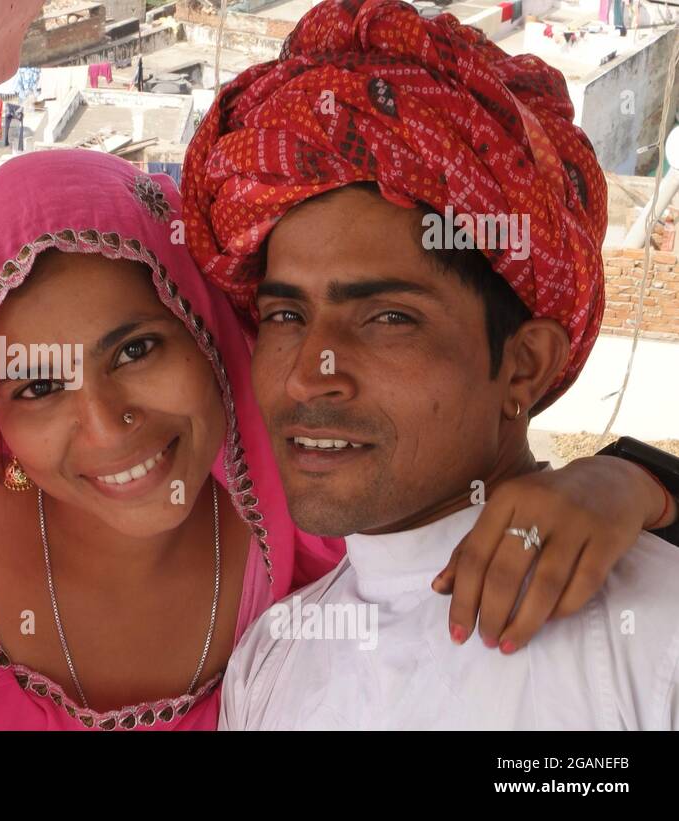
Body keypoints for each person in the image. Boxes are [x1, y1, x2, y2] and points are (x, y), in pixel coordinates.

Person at [0, 149, 672, 730]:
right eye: (38, 385)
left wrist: (638, 481)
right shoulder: (287, 657)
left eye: (137, 348)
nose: (107, 426)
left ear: (206, 334)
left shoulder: (300, 543)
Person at [167, 0, 679, 729]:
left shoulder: (653, 645)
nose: (311, 373)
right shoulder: (270, 662)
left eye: (387, 319)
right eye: (286, 314)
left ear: (525, 366)